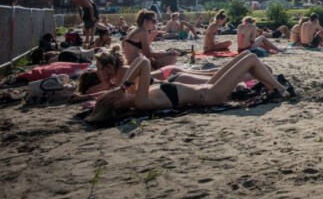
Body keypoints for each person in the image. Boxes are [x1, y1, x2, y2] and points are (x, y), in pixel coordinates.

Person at [84, 52, 294, 123]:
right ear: (116, 104)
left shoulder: (133, 94)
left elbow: (140, 61)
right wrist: (119, 89)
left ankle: (274, 88)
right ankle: (278, 89)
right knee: (251, 58)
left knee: (245, 57)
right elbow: (145, 63)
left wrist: (120, 88)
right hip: (210, 95)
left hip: (206, 87)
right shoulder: (140, 100)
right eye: (112, 98)